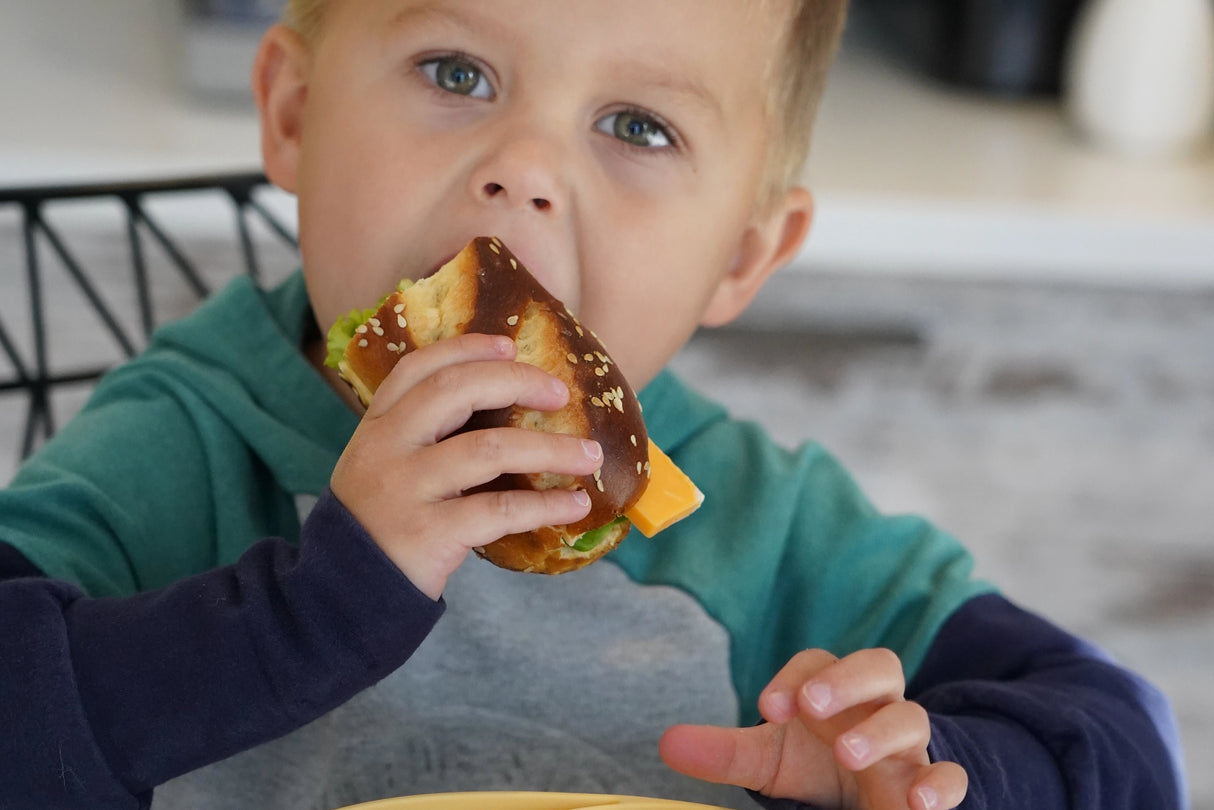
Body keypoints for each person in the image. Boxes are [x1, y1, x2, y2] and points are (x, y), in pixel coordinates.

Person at [0, 1, 1187, 809]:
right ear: (295, 114)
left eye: (636, 126)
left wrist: (919, 768)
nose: (524, 167)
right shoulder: (187, 441)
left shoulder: (758, 526)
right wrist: (314, 611)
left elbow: (1127, 745)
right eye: (455, 72)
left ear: (741, 254)